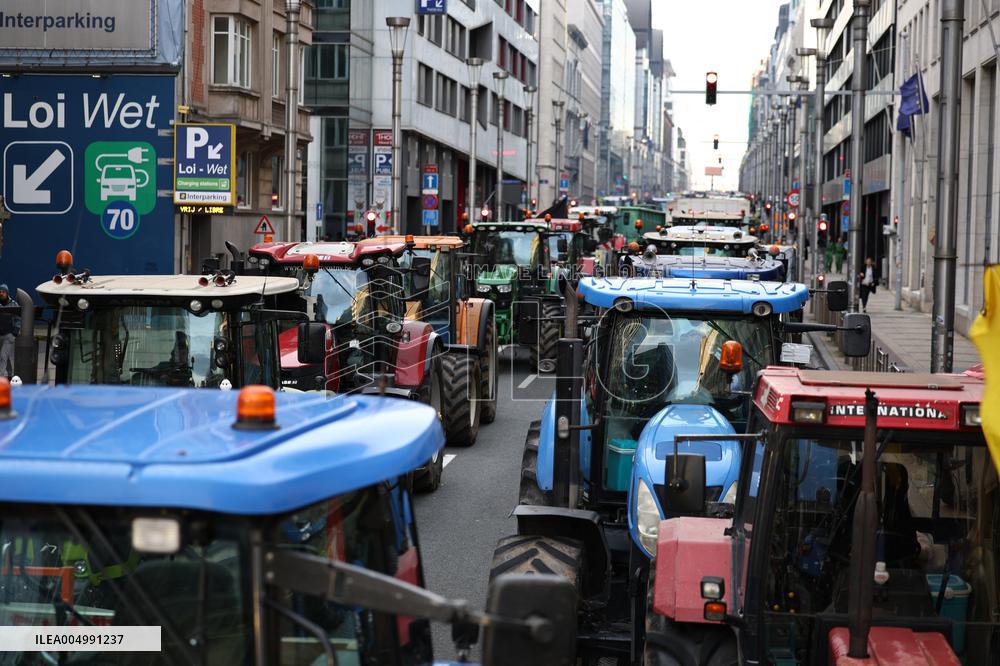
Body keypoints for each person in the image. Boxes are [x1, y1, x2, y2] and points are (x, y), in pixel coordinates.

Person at [0, 284, 19, 379]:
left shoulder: (14, 304)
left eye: (3, 292)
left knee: (3, 356)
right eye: (0, 292)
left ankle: (1, 378)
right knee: (4, 356)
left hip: (9, 335)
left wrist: (14, 332)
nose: (1, 293)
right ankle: (10, 374)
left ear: (7, 293)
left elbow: (18, 318)